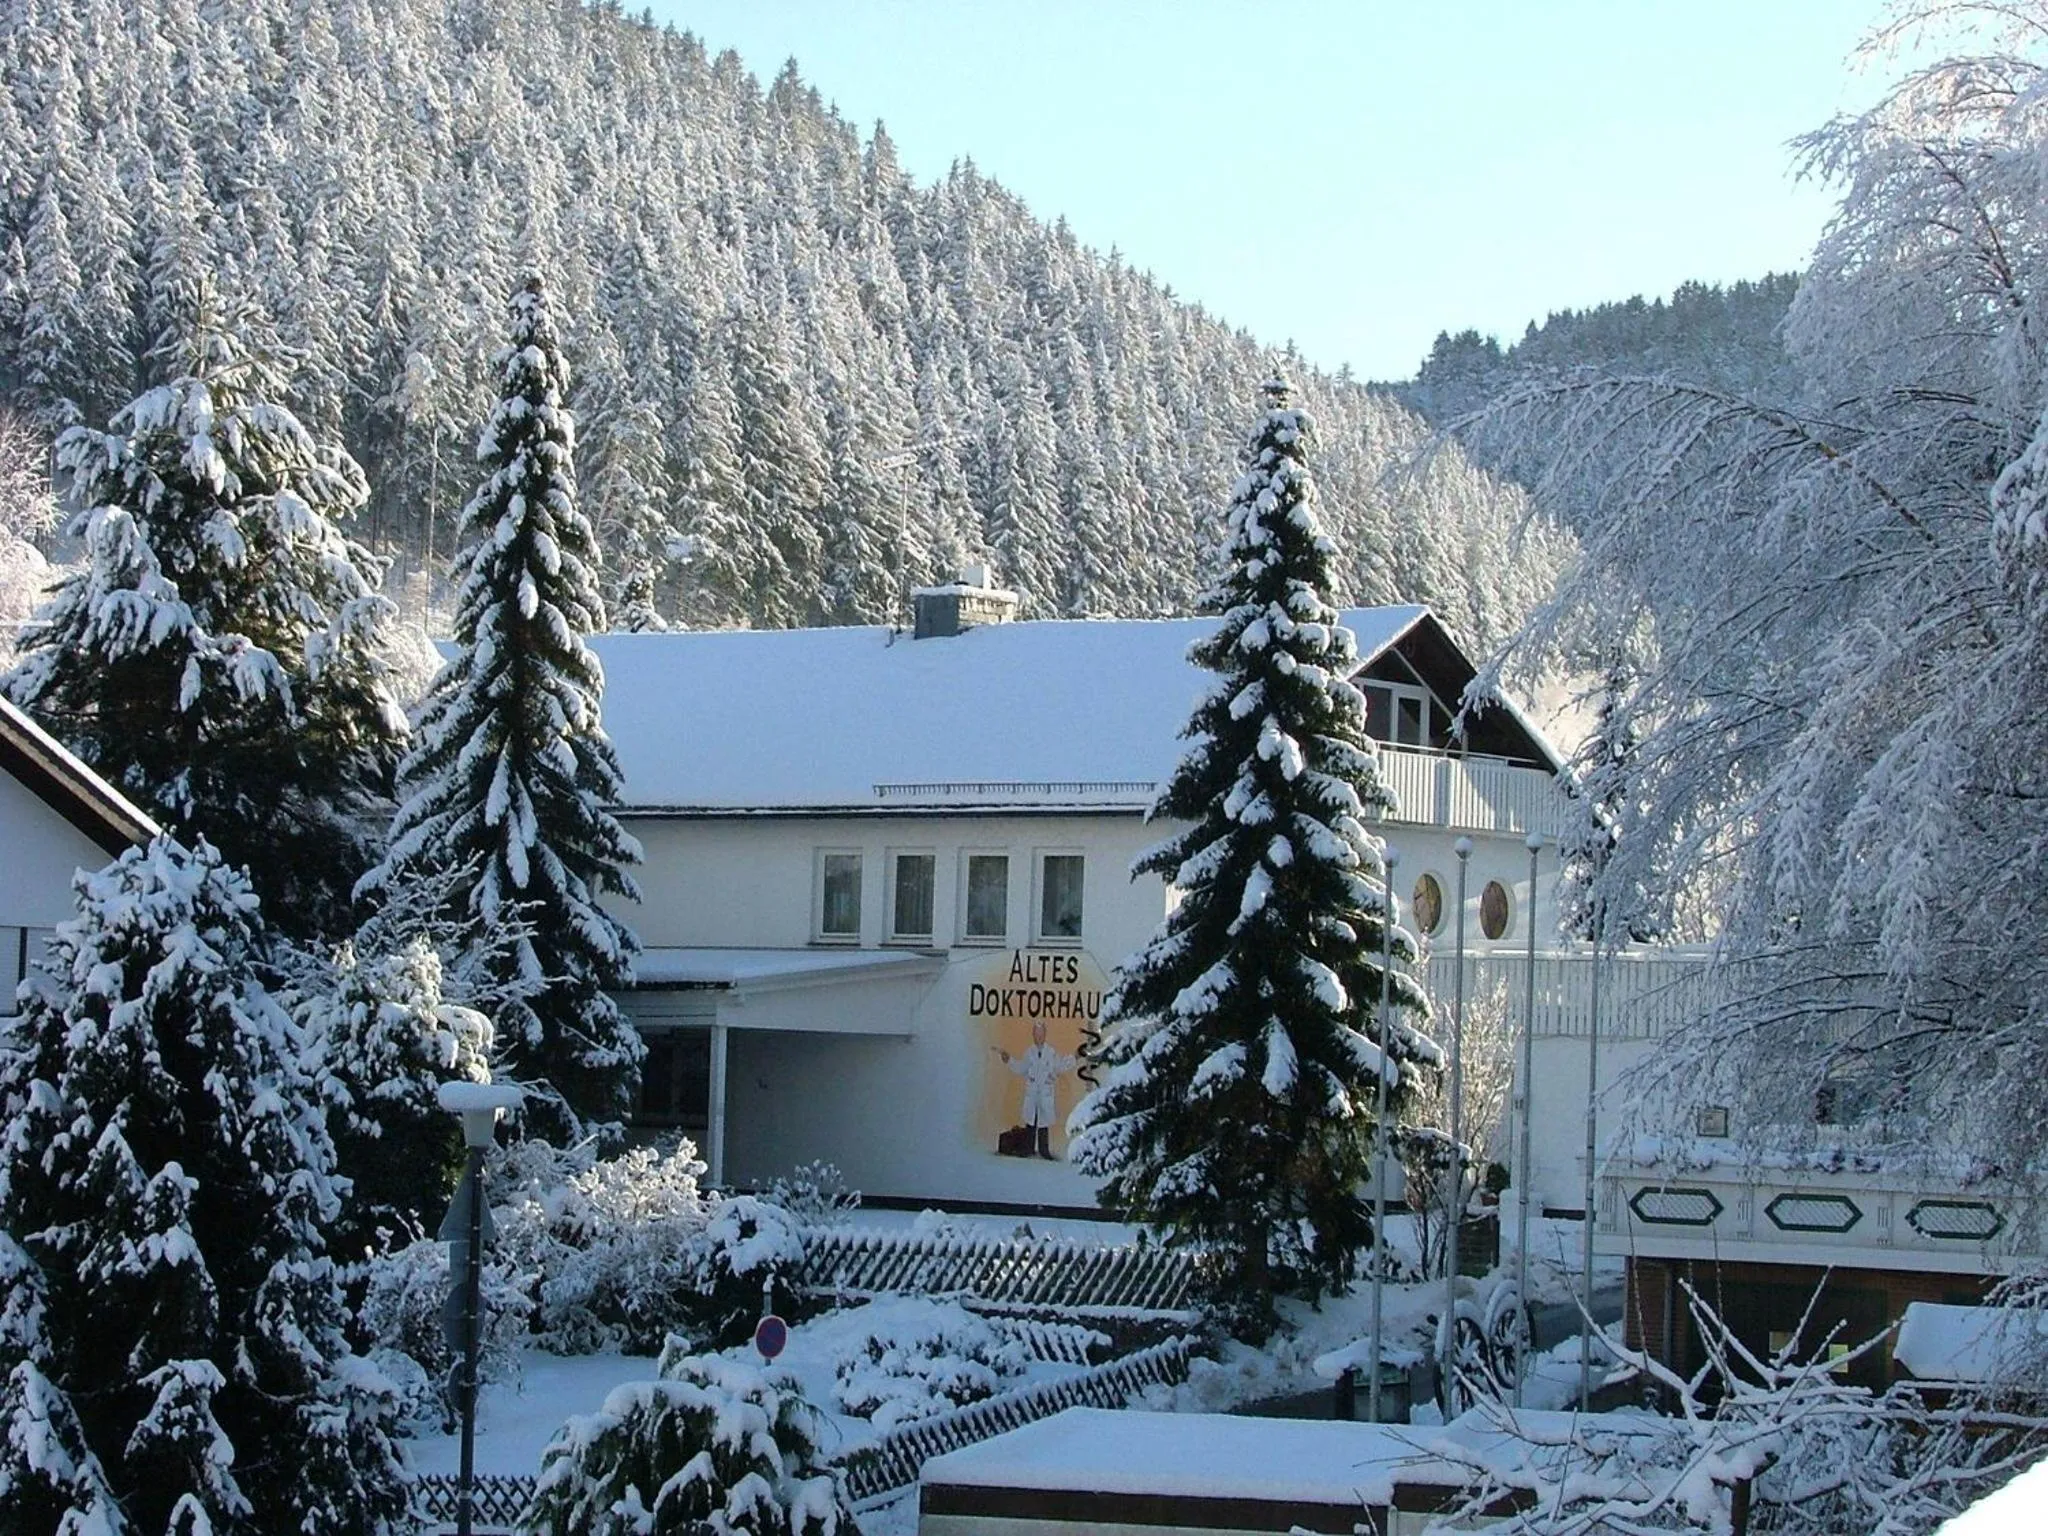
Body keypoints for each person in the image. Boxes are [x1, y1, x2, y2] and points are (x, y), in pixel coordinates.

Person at [996, 1020, 1076, 1159]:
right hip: (1032, 1093)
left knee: (1044, 1124)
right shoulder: (1029, 1053)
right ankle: (1028, 1149)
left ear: (1045, 1035)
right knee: (1031, 1121)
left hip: (1045, 1093)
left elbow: (1060, 1066)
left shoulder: (1051, 1053)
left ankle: (1044, 1151)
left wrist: (1075, 1057)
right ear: (1033, 1035)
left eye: (1041, 1034)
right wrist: (1008, 1060)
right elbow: (1020, 1068)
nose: (1039, 1037)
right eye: (1036, 1034)